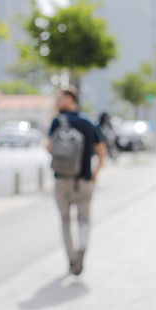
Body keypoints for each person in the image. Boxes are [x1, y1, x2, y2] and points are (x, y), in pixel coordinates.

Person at [47, 87, 106, 276]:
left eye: (59, 98)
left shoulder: (57, 122)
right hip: (84, 181)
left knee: (65, 221)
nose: (57, 101)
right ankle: (82, 249)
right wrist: (95, 173)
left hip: (62, 181)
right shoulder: (88, 123)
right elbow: (102, 152)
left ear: (69, 99)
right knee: (85, 221)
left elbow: (49, 148)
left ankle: (71, 258)